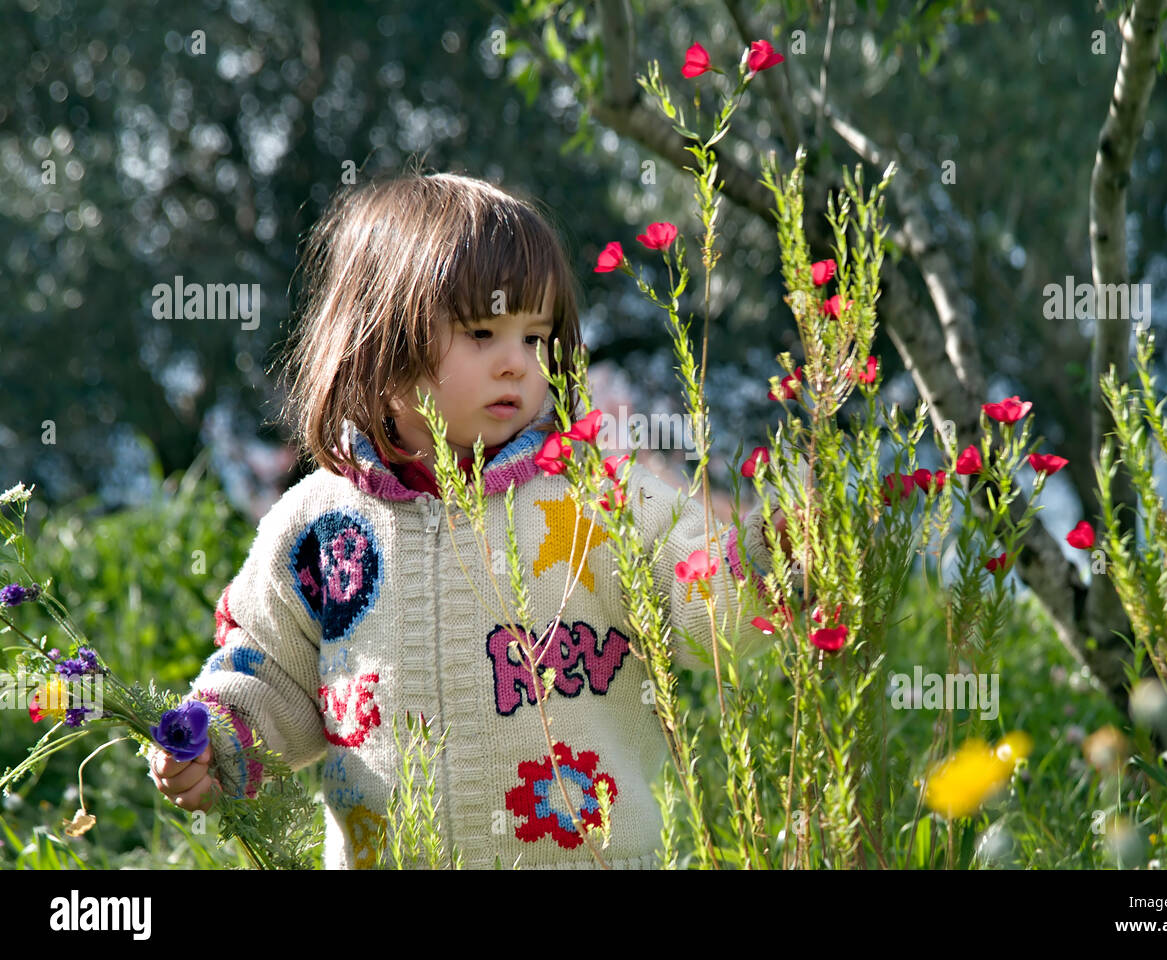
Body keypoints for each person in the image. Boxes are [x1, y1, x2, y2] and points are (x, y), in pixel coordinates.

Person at [149, 169, 795, 869]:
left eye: (536, 338)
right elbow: (271, 673)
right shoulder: (320, 526)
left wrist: (775, 560)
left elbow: (692, 595)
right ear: (380, 340)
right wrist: (211, 741)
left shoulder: (597, 496)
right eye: (484, 332)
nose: (518, 364)